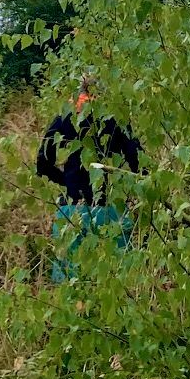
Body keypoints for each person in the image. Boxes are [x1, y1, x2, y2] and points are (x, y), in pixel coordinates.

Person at [36, 85, 141, 282]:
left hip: (71, 212)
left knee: (70, 290)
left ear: (81, 91)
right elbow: (138, 161)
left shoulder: (64, 115)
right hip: (111, 210)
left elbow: (42, 163)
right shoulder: (114, 115)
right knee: (118, 285)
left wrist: (67, 182)